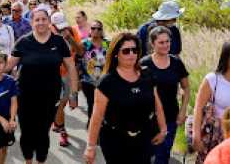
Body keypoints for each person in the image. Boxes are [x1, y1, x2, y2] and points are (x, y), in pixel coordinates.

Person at [6, 8, 79, 164]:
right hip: (25, 97)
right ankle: (28, 161)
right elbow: (7, 67)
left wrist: (73, 94)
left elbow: (71, 68)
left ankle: (40, 161)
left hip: (49, 97)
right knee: (26, 133)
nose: (40, 22)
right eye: (36, 20)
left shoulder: (59, 42)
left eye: (43, 19)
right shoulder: (23, 42)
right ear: (31, 23)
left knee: (42, 133)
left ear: (49, 21)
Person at [84, 32, 167, 164]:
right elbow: (97, 116)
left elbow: (158, 105)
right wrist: (91, 146)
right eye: (126, 51)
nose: (131, 54)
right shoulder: (107, 82)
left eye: (134, 50)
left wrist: (163, 129)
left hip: (144, 137)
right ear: (116, 53)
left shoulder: (147, 74)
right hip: (115, 141)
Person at [140, 26, 190, 164]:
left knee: (163, 156)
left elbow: (186, 88)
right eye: (161, 42)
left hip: (170, 117)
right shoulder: (144, 63)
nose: (165, 45)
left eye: (167, 41)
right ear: (152, 43)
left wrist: (183, 110)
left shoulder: (176, 62)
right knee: (146, 155)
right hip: (148, 119)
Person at [193, 42, 230, 163]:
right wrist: (196, 135)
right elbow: (198, 108)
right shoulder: (213, 79)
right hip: (213, 135)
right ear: (226, 57)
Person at [50, 11, 84, 147]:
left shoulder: (71, 31)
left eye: (62, 26)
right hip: (53, 75)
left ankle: (58, 124)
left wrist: (69, 38)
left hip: (68, 74)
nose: (61, 29)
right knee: (60, 103)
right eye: (58, 27)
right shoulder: (47, 35)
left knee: (62, 104)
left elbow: (80, 52)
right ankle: (63, 131)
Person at [79, 20, 110, 126]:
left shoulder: (107, 43)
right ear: (90, 30)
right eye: (93, 28)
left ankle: (101, 127)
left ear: (102, 30)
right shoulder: (85, 43)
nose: (96, 31)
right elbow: (77, 58)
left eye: (99, 28)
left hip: (105, 81)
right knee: (92, 104)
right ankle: (91, 127)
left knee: (105, 105)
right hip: (88, 81)